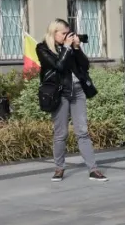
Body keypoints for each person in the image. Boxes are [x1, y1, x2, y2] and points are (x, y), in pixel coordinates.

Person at [37, 19, 107, 183]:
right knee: (61, 133)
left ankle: (93, 169)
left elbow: (85, 65)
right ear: (54, 33)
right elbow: (59, 66)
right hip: (60, 92)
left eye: (68, 33)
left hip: (78, 91)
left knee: (82, 131)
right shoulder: (43, 48)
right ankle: (59, 168)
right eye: (63, 33)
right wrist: (67, 48)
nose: (66, 36)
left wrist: (76, 48)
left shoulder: (69, 47)